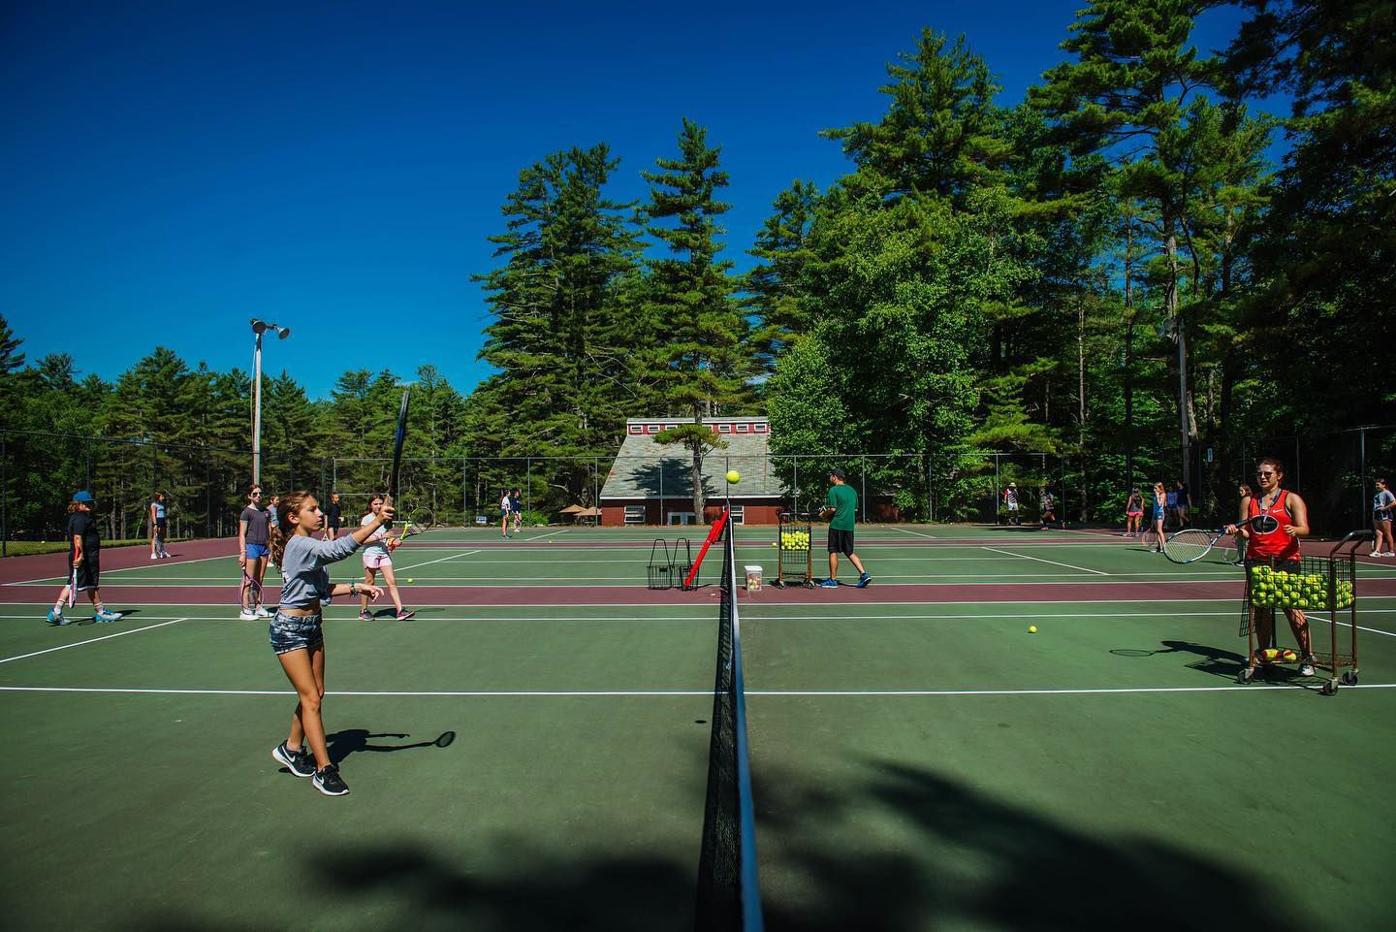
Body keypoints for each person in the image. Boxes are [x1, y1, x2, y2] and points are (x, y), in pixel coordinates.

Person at [266, 490, 389, 797]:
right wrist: (376, 522)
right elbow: (339, 549)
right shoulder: (299, 545)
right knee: (311, 699)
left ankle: (292, 748)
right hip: (290, 630)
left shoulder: (309, 546)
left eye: (319, 508)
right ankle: (325, 769)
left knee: (316, 693)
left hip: (312, 626)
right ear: (294, 518)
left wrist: (357, 586)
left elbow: (321, 590)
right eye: (312, 509)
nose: (320, 513)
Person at [1227, 457, 1316, 676]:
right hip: (1257, 560)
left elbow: (1305, 528)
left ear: (1279, 475)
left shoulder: (1291, 499)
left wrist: (1295, 530)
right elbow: (1247, 533)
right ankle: (1265, 654)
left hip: (1286, 560)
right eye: (1259, 474)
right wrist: (1237, 532)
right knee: (1261, 609)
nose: (1263, 477)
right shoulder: (1249, 501)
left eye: (1268, 474)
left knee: (1292, 608)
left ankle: (1308, 657)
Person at [47, 491, 124, 625]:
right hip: (85, 558)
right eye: (86, 503)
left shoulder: (81, 517)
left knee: (80, 584)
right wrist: (80, 556)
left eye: (90, 502)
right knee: (87, 584)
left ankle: (56, 613)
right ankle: (101, 613)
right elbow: (77, 537)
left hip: (87, 557)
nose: (89, 505)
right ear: (78, 504)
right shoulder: (80, 519)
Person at [358, 494, 414, 621]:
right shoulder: (366, 520)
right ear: (370, 505)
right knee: (369, 583)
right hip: (370, 553)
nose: (378, 506)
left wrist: (394, 543)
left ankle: (400, 611)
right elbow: (363, 539)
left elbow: (388, 541)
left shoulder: (387, 519)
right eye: (375, 504)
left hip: (383, 554)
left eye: (380, 503)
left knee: (392, 582)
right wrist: (382, 536)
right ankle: (363, 611)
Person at [819, 468, 871, 588]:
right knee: (849, 551)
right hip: (849, 526)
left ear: (835, 477)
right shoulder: (852, 490)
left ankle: (832, 580)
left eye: (831, 476)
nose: (830, 478)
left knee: (833, 551)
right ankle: (864, 574)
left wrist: (823, 514)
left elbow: (833, 508)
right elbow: (855, 509)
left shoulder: (833, 490)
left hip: (837, 525)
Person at [239, 486, 273, 620]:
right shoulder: (246, 512)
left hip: (264, 547)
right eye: (255, 494)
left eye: (260, 493)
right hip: (251, 546)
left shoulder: (266, 512)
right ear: (249, 496)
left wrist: (270, 549)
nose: (258, 495)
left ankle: (258, 607)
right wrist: (243, 552)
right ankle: (245, 609)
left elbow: (269, 531)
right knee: (248, 580)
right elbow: (242, 534)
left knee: (259, 579)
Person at [1372, 477, 1395, 558]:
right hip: (1377, 514)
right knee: (1378, 533)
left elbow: (1394, 502)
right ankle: (1377, 551)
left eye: (1378, 485)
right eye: (1376, 485)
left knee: (1387, 533)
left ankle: (1391, 551)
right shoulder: (1377, 494)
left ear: (1384, 485)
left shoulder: (1387, 492)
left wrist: (1384, 508)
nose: (1376, 486)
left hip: (1385, 515)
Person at [1232, 482, 1253, 565]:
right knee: (1241, 543)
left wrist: (1241, 528)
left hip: (1244, 525)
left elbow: (1244, 516)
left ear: (1246, 490)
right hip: (1243, 524)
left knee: (1243, 544)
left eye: (1242, 491)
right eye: (1239, 491)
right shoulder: (1247, 499)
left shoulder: (1245, 499)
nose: (1240, 492)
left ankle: (1244, 561)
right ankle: (1242, 560)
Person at [149, 491, 170, 559]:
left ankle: (162, 551)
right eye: (162, 496)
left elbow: (163, 513)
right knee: (155, 537)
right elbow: (153, 515)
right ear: (158, 497)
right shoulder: (154, 504)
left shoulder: (162, 504)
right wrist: (155, 524)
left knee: (161, 536)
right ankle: (153, 553)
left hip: (162, 520)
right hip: (157, 520)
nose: (163, 498)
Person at [1147, 481, 1167, 552]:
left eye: (1156, 488)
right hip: (1155, 513)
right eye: (1154, 488)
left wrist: (1157, 495)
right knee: (1157, 531)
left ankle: (1164, 547)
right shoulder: (1155, 495)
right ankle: (1159, 547)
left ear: (1160, 488)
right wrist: (1153, 516)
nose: (1154, 490)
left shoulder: (1163, 494)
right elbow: (1154, 506)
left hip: (1160, 513)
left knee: (1159, 530)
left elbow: (1159, 504)